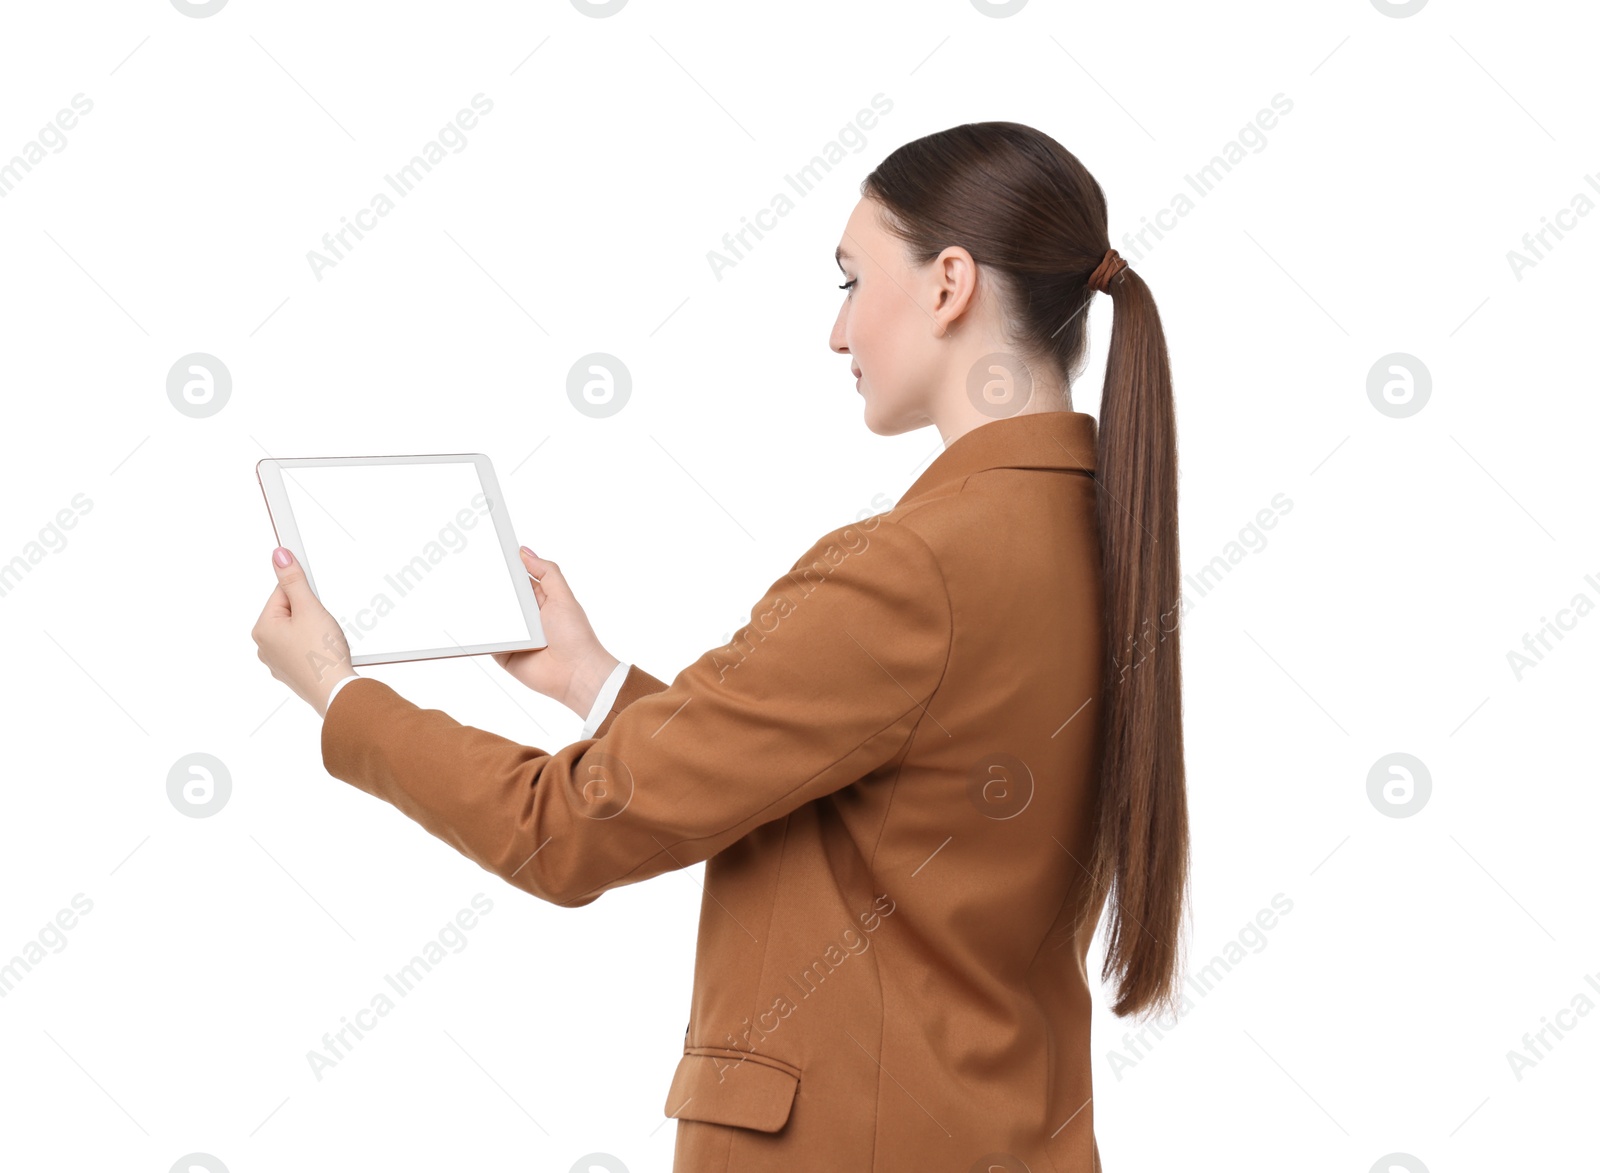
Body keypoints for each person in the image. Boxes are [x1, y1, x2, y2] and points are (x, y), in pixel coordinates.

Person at [253, 120, 1190, 1173]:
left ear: (949, 285)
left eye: (849, 282)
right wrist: (590, 681)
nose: (838, 335)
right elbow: (855, 787)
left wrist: (338, 696)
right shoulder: (1100, 541)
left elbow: (565, 833)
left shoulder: (915, 565)